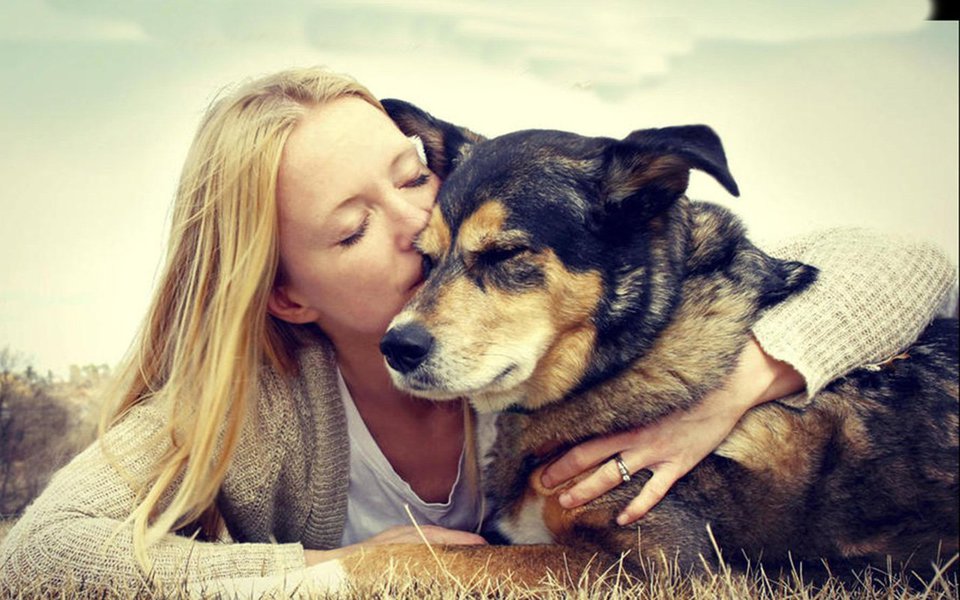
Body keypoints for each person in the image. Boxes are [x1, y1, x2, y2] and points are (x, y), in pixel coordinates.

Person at [0, 66, 954, 593]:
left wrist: (742, 387)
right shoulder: (263, 411)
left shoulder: (547, 338)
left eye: (410, 178)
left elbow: (904, 265)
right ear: (289, 296)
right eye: (351, 226)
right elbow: (42, 557)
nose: (421, 226)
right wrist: (348, 571)